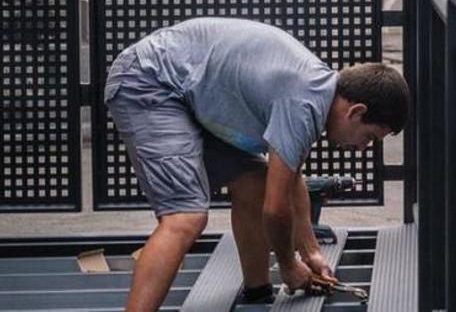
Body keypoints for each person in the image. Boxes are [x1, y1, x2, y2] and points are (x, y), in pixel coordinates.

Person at [104, 18, 408, 312]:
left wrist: (311, 252)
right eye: (369, 137)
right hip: (149, 81)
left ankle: (257, 292)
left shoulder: (315, 92)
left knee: (257, 183)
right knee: (186, 216)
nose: (362, 148)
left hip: (186, 94)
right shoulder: (303, 104)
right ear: (356, 111)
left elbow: (291, 180)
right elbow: (275, 210)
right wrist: (289, 266)